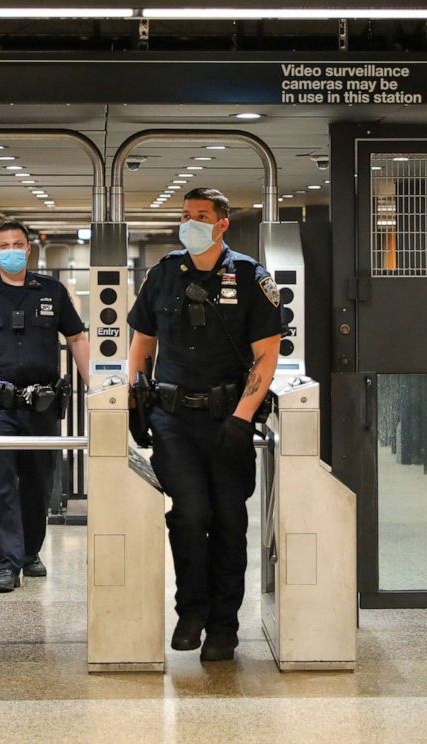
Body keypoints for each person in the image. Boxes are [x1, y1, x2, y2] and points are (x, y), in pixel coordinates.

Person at [127, 187, 282, 662]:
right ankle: (190, 612)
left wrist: (241, 419)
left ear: (221, 224)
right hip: (173, 418)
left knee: (229, 522)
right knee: (190, 515)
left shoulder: (251, 276)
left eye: (200, 216)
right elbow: (142, 342)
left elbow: (267, 354)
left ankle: (223, 626)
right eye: (186, 215)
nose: (190, 222)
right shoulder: (163, 274)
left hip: (227, 419)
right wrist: (135, 395)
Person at [0, 220, 90, 593]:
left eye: (18, 244)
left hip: (41, 405)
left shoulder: (51, 291)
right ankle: (7, 563)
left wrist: (96, 390)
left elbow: (77, 337)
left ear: (28, 250)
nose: (11, 250)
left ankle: (30, 552)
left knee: (37, 483)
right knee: (0, 484)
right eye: (4, 245)